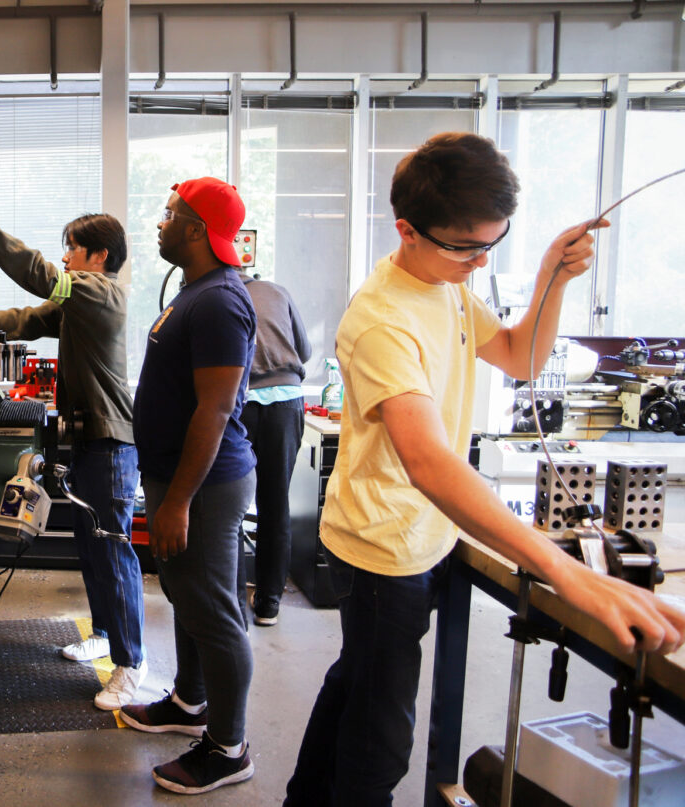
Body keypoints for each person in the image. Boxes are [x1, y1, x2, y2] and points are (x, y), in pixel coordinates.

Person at [282, 132, 685, 806]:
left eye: (492, 244)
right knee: (380, 741)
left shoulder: (446, 284)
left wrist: (552, 278)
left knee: (357, 681)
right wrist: (568, 574)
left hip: (424, 534)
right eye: (465, 246)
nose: (479, 260)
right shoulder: (384, 318)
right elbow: (430, 463)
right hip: (385, 550)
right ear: (407, 230)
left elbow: (522, 356)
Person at [0, 184, 146, 712]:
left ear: (99, 256)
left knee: (114, 554)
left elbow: (38, 274)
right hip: (88, 442)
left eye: (73, 247)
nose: (66, 256)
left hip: (112, 444)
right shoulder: (77, 302)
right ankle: (104, 635)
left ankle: (130, 665)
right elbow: (28, 318)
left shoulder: (100, 293)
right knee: (93, 550)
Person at [120, 177, 258, 795]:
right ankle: (190, 700)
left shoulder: (221, 301)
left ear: (198, 229)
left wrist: (177, 499)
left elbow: (216, 409)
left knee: (215, 610)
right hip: (178, 477)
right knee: (190, 596)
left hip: (203, 483)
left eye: (170, 213)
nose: (159, 222)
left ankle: (229, 749)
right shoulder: (195, 292)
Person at [238, 269, 311, 627]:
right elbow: (306, 351)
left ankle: (234, 601)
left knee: (229, 503)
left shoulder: (215, 294)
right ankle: (268, 604)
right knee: (275, 503)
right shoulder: (277, 290)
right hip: (287, 403)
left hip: (242, 404)